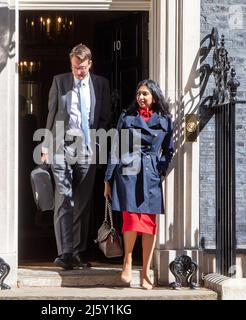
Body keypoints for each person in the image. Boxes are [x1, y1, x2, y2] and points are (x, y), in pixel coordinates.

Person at [41, 44, 111, 270]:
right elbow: (51, 114)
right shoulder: (59, 81)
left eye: (81, 67)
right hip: (62, 145)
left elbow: (104, 118)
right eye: (74, 67)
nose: (77, 72)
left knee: (82, 202)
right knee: (64, 199)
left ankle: (78, 252)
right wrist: (46, 145)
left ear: (89, 63)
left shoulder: (100, 84)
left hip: (87, 148)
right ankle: (65, 253)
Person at [103, 80, 174, 289]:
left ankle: (145, 272)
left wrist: (160, 168)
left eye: (145, 94)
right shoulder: (127, 118)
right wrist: (108, 179)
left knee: (149, 224)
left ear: (154, 97)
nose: (140, 97)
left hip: (150, 175)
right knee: (132, 220)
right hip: (128, 173)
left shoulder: (165, 121)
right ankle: (127, 261)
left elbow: (169, 150)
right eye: (138, 93)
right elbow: (116, 149)